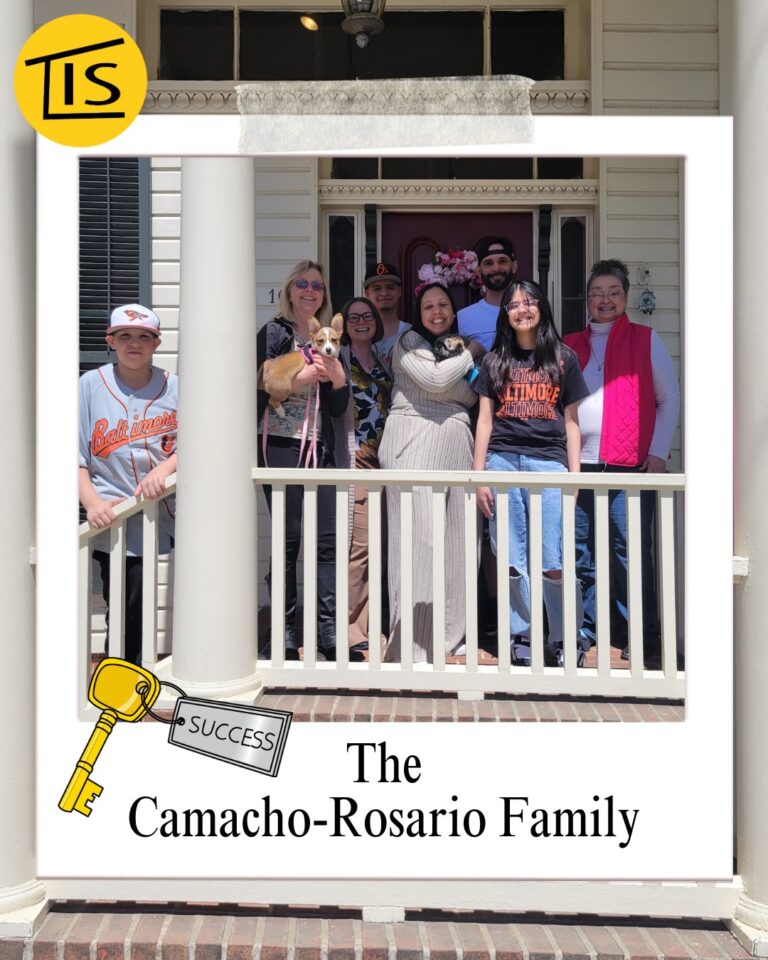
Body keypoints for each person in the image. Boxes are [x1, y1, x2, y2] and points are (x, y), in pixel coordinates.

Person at [563, 259, 680, 664]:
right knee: (580, 552)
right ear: (588, 299)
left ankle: (640, 634)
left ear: (626, 297)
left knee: (629, 552)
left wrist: (658, 454)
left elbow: (668, 400)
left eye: (613, 292)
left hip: (629, 466)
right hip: (580, 467)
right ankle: (584, 631)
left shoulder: (646, 340)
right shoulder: (569, 344)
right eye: (597, 293)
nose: (605, 300)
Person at [473, 280, 589, 667]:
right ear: (505, 314)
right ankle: (520, 634)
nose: (522, 310)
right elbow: (485, 421)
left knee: (552, 557)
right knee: (510, 557)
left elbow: (572, 423)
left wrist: (574, 477)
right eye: (514, 305)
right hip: (503, 462)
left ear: (541, 308)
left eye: (529, 303)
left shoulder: (563, 357)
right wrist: (480, 477)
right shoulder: (494, 361)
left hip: (549, 464)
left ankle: (564, 637)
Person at [379, 282, 477, 661]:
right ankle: (411, 644)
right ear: (418, 314)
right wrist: (469, 356)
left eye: (443, 305)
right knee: (418, 541)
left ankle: (450, 635)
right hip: (413, 443)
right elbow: (436, 381)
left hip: (456, 444)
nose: (436, 312)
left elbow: (474, 396)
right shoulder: (407, 343)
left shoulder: (454, 347)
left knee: (458, 541)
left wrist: (453, 377)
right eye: (428, 306)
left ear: (453, 311)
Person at [257, 260, 349, 661]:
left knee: (326, 542)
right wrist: (297, 381)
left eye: (317, 286)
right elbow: (255, 388)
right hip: (280, 445)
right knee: (289, 541)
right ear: (290, 290)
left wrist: (338, 379)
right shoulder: (274, 333)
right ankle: (282, 636)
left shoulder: (330, 340)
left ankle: (328, 636)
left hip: (321, 449)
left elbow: (338, 407)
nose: (310, 291)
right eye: (303, 284)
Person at [79, 304, 178, 666]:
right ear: (110, 340)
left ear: (156, 343)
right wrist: (91, 504)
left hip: (169, 506)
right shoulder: (90, 384)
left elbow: (197, 441)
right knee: (124, 603)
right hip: (115, 511)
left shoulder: (175, 386)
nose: (134, 343)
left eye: (143, 337)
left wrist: (166, 468)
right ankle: (122, 682)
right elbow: (75, 454)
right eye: (124, 336)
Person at [333, 296, 393, 657]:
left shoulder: (384, 360)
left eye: (366, 316)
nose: (360, 322)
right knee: (360, 549)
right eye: (353, 317)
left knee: (382, 548)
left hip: (388, 465)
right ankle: (353, 629)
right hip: (357, 461)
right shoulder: (338, 360)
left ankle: (374, 622)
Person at [458, 237, 518, 363]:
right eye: (488, 263)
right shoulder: (463, 317)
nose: (496, 269)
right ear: (479, 271)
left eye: (502, 261)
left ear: (514, 266)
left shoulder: (531, 312)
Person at [363, 261, 410, 365]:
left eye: (390, 287)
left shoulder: (411, 333)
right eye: (377, 288)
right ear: (367, 293)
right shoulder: (358, 333)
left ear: (399, 292)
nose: (384, 293)